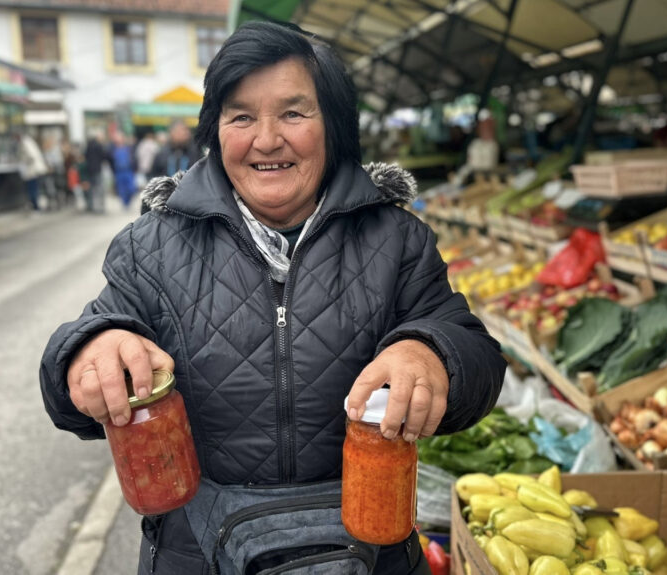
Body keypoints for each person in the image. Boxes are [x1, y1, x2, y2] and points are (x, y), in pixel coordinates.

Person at [40, 22, 505, 574]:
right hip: (198, 552)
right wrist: (88, 352)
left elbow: (478, 360)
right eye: (241, 117)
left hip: (370, 546)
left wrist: (431, 353)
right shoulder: (150, 247)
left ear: (334, 124)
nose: (265, 140)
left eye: (293, 113)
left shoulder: (398, 240)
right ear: (215, 131)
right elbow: (73, 386)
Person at [18, 132, 48, 211]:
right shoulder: (29, 141)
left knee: (34, 190)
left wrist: (23, 161)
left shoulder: (26, 142)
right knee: (36, 189)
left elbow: (31, 156)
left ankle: (37, 207)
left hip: (33, 171)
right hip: (35, 170)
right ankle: (37, 206)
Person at [83, 130, 110, 213]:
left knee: (92, 189)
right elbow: (104, 156)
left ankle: (93, 206)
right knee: (99, 188)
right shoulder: (98, 145)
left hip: (90, 170)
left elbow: (85, 156)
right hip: (97, 169)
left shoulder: (88, 145)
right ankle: (100, 207)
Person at [110, 132, 136, 210]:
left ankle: (128, 200)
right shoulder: (113, 149)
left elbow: (134, 159)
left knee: (131, 188)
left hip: (128, 171)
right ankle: (125, 203)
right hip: (119, 172)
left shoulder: (128, 148)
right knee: (121, 189)